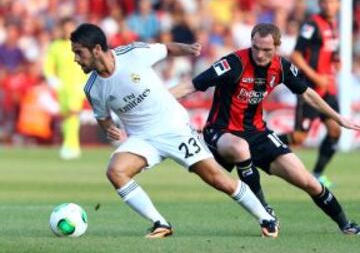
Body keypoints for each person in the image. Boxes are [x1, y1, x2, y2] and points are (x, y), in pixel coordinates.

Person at [70, 23, 278, 239]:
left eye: (79, 52)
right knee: (116, 171)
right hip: (142, 138)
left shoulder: (133, 54)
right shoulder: (92, 88)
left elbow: (166, 49)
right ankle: (160, 224)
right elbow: (102, 117)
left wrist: (188, 48)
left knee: (218, 179)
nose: (76, 59)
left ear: (96, 49)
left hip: (172, 126)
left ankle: (266, 218)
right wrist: (109, 129)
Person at [170, 23, 360, 235]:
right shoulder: (233, 63)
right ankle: (265, 212)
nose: (260, 54)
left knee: (308, 181)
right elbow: (191, 86)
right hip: (221, 132)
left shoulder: (281, 67)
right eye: (256, 47)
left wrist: (338, 118)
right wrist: (157, 99)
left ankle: (346, 225)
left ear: (277, 47)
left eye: (266, 50)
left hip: (258, 133)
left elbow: (307, 94)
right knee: (240, 148)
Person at [278, 0, 341, 188]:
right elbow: (296, 55)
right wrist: (316, 77)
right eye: (324, 2)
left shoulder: (333, 25)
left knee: (335, 130)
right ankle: (257, 143)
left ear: (338, 4)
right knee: (298, 138)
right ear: (319, 4)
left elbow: (329, 51)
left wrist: (336, 61)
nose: (328, 5)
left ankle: (317, 173)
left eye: (332, 1)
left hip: (329, 89)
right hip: (310, 90)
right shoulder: (311, 24)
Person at [43, 17, 87, 160]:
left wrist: (87, 81)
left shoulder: (81, 45)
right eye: (66, 28)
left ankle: (71, 146)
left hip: (78, 85)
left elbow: (89, 63)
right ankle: (71, 145)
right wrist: (51, 79)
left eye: (71, 27)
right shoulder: (56, 46)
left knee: (73, 114)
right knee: (66, 116)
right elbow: (48, 64)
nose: (68, 30)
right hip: (62, 86)